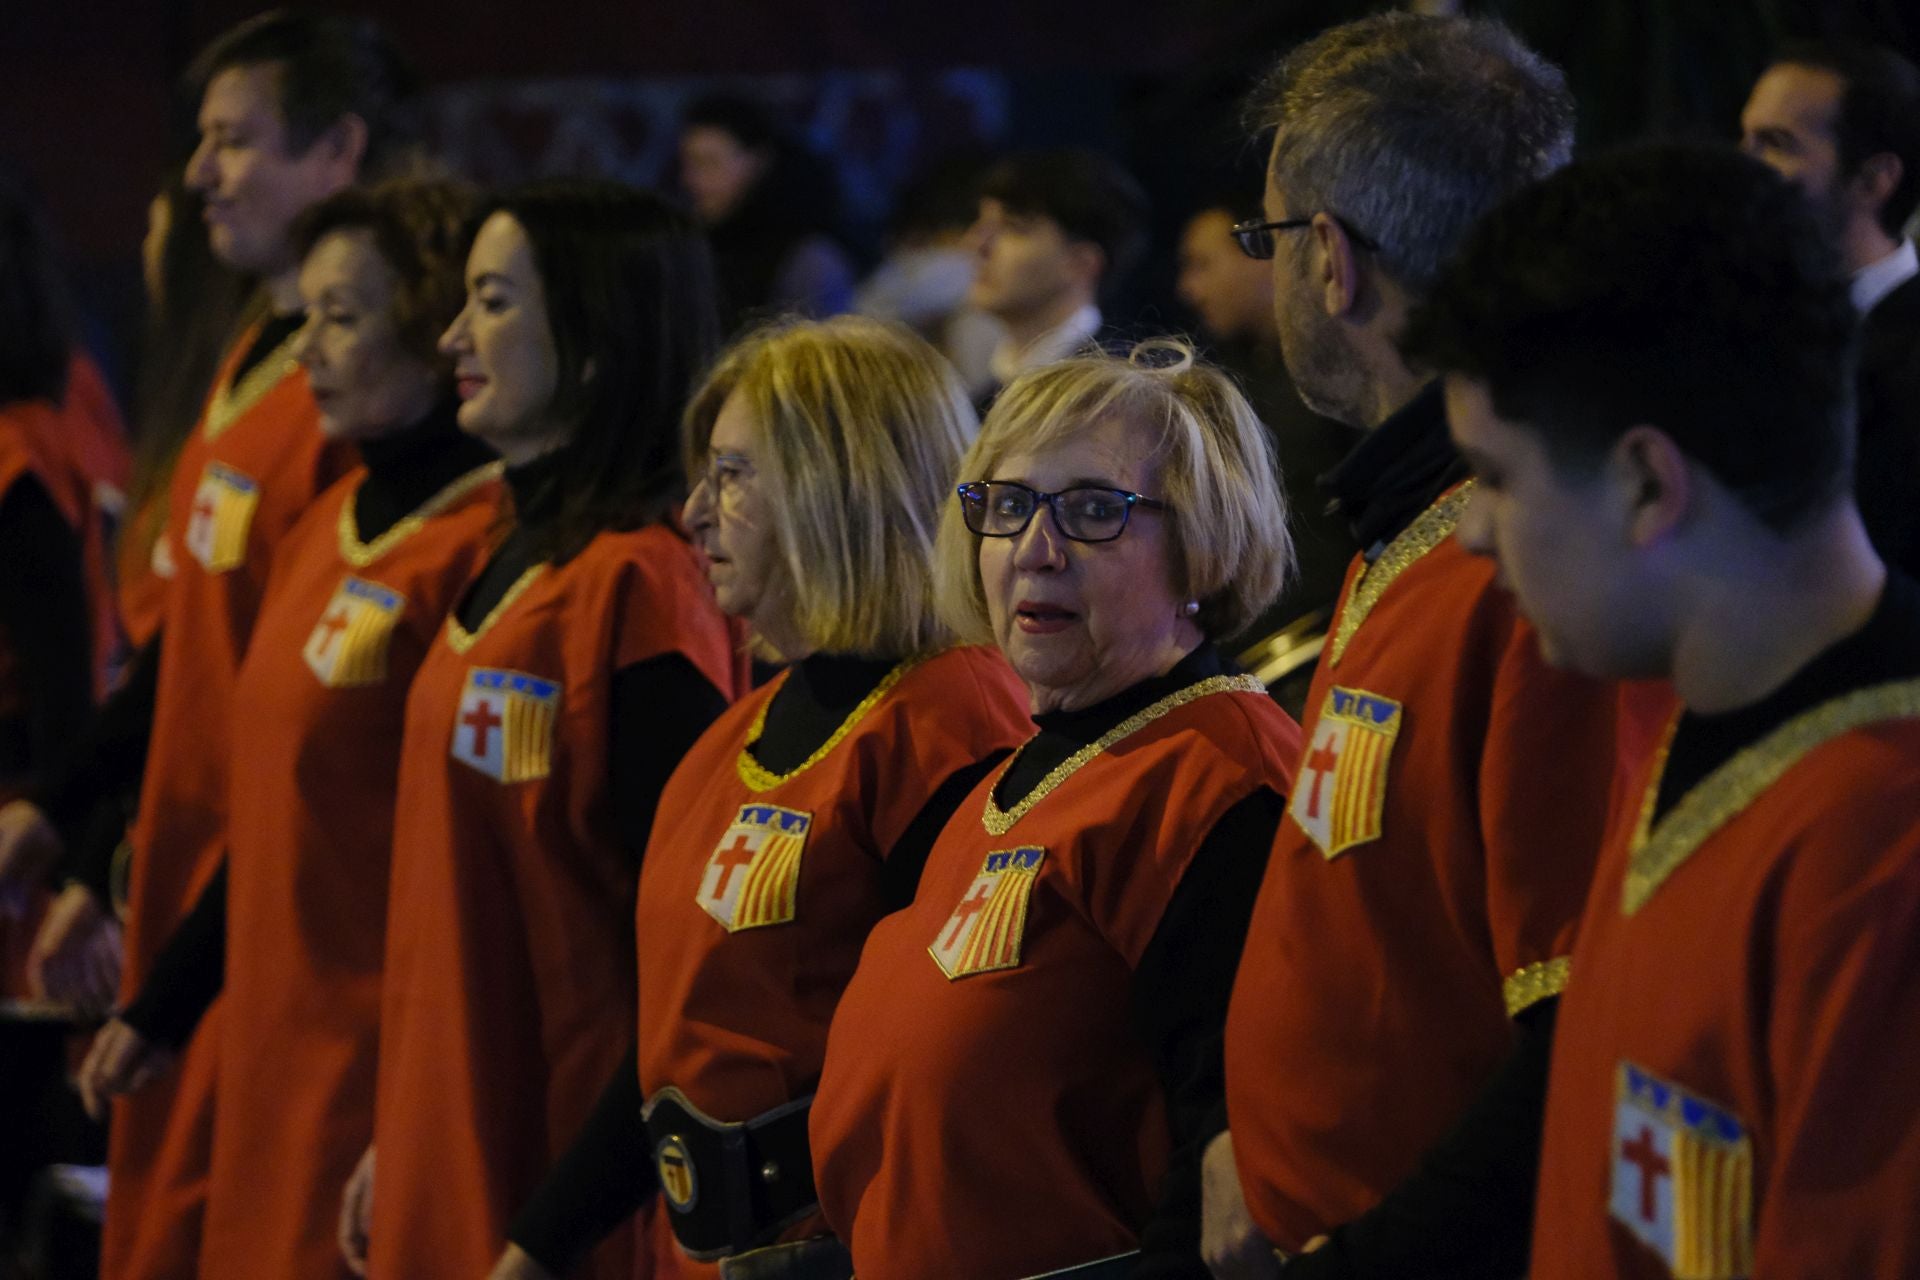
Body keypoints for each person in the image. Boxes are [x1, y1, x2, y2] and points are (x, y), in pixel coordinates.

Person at [1406, 140, 1920, 1278]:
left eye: (1496, 476)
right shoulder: (1691, 701)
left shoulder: (1881, 844)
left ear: (1648, 482)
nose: (1475, 531)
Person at [1200, 15, 1641, 1279]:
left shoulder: (1524, 578)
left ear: (1330, 259)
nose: (1271, 268)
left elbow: (1568, 1028)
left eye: (1269, 237)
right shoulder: (1409, 530)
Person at [0, 14, 418, 1280]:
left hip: (298, 922)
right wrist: (91, 834)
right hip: (193, 889)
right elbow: (188, 668)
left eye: (234, 142)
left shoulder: (364, 422)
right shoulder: (251, 356)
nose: (196, 175)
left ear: (338, 149)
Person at [486, 316, 1034, 1280]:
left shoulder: (957, 718)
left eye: (733, 476)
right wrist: (537, 1247)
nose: (696, 511)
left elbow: (967, 1068)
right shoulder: (729, 737)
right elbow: (671, 1052)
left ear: (837, 487)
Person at [72, 178, 504, 1280]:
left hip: (371, 1056)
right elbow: (273, 820)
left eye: (342, 319)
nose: (304, 350)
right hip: (268, 1037)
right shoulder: (323, 522)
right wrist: (166, 1006)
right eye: (304, 315)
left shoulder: (476, 546)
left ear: (430, 334)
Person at [811, 339, 1303, 1278]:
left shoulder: (1221, 781)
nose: (1035, 551)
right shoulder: (1032, 764)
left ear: (1204, 541)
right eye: (1007, 507)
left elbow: (1225, 1186)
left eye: (1092, 512)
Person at [344, 179, 744, 1280]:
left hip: (570, 1189)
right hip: (460, 1136)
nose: (452, 336)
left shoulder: (642, 590)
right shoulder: (519, 539)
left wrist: (556, 1223)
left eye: (493, 302)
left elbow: (684, 966)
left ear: (596, 338)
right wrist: (404, 1123)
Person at [1740, 41, 1920, 575]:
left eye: (1774, 144)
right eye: (1744, 137)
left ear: (1874, 180)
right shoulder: (1743, 319)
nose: (1741, 167)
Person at [1175, 197, 1356, 681]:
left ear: (1266, 254)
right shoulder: (1230, 380)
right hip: (1255, 662)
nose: (1188, 288)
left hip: (1333, 648)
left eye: (1203, 264)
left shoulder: (1342, 376)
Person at [965, 150, 1150, 401]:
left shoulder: (1112, 398)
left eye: (1012, 227)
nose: (978, 243)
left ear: (1081, 264)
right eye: (982, 223)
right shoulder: (983, 397)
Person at [680, 92, 856, 333]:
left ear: (758, 163)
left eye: (708, 163)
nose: (691, 180)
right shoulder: (692, 250)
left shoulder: (807, 262)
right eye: (688, 164)